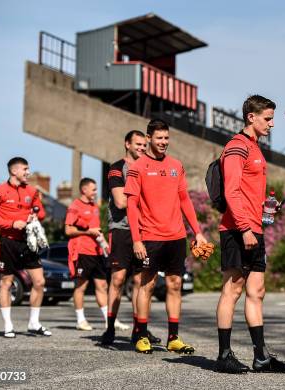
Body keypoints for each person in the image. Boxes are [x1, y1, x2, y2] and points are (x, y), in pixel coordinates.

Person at [215, 95, 285, 374]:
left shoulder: (255, 147)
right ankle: (224, 355)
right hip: (238, 229)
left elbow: (249, 192)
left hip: (254, 227)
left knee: (256, 291)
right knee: (232, 289)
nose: (272, 124)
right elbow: (231, 191)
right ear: (251, 117)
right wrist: (245, 227)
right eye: (268, 118)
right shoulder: (237, 146)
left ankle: (261, 357)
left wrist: (267, 208)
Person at [125, 119, 208, 354]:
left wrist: (198, 232)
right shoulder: (138, 167)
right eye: (159, 138)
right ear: (149, 138)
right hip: (150, 236)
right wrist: (136, 239)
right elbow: (131, 205)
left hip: (176, 236)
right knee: (147, 285)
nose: (163, 142)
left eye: (166, 138)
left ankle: (173, 337)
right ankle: (141, 335)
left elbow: (185, 200)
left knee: (175, 284)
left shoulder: (176, 165)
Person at [101, 130, 162, 346]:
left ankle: (140, 330)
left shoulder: (150, 167)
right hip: (122, 229)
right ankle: (109, 328)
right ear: (127, 144)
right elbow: (120, 202)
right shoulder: (117, 168)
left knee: (142, 281)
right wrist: (148, 201)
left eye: (145, 144)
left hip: (145, 230)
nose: (142, 148)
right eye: (138, 144)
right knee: (117, 280)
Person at [0, 157, 51, 338]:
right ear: (14, 171)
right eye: (25, 169)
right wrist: (12, 223)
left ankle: (34, 323)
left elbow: (41, 212)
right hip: (8, 242)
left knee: (40, 282)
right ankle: (8, 325)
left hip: (29, 242)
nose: (28, 172)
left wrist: (35, 216)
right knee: (6, 283)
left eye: (28, 169)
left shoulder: (32, 190)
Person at [65, 178, 109, 331]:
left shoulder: (94, 206)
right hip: (82, 251)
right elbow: (68, 230)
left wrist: (103, 243)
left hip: (96, 251)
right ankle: (80, 320)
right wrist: (87, 232)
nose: (96, 192)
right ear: (84, 190)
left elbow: (96, 229)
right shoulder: (75, 206)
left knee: (102, 285)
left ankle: (109, 320)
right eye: (94, 189)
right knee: (81, 286)